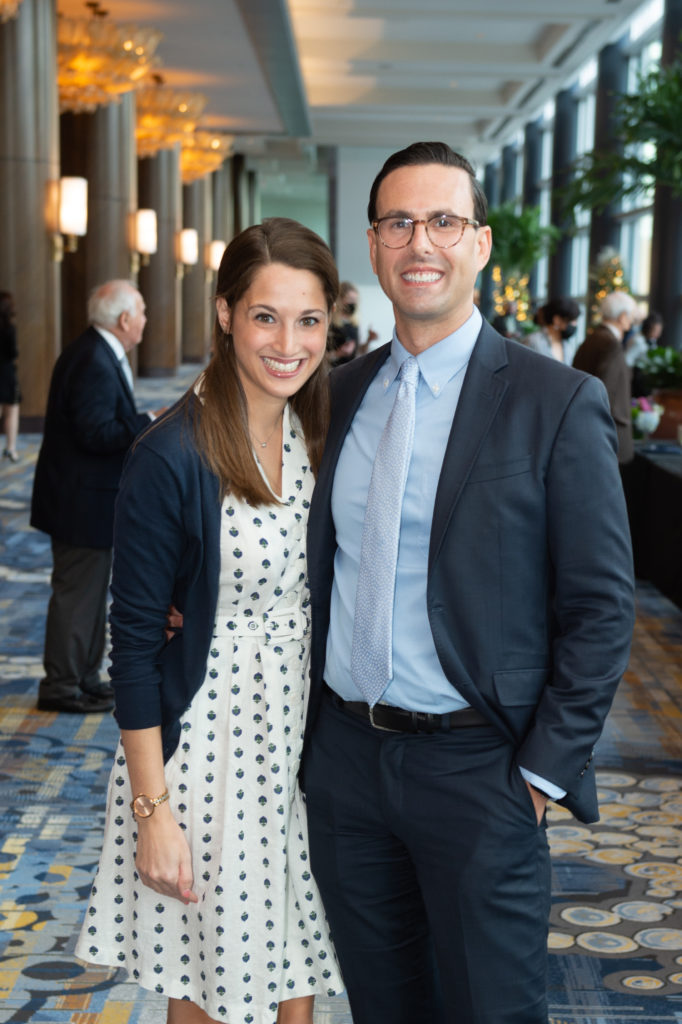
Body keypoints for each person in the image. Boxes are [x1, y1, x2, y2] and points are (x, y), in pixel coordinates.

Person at [301, 142, 635, 1024]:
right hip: (345, 765)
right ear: (373, 246)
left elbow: (601, 609)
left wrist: (540, 773)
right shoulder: (336, 396)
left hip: (481, 770)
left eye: (444, 221)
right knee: (384, 1006)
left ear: (480, 245)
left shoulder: (553, 402)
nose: (422, 242)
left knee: (492, 1008)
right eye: (400, 222)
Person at [74, 218, 344, 1024]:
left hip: (296, 751)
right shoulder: (173, 454)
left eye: (309, 320)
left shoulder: (318, 432)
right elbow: (131, 646)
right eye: (266, 316)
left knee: (295, 985)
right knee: (212, 994)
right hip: (207, 761)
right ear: (226, 314)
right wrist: (153, 818)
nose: (288, 343)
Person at [31, 280, 157, 714]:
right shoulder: (92, 360)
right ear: (125, 319)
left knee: (88, 595)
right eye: (141, 311)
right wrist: (148, 419)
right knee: (77, 597)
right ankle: (62, 686)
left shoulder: (97, 352)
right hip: (78, 504)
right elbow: (95, 433)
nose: (145, 319)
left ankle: (84, 678)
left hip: (86, 500)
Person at [573, 290, 640, 465]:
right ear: (623, 317)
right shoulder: (611, 344)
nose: (632, 321)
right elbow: (606, 392)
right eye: (632, 316)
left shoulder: (591, 339)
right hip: (608, 435)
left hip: (586, 430)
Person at [327, 280, 378, 365]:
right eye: (350, 299)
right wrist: (338, 354)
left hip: (350, 371)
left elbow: (359, 352)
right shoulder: (329, 323)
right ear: (340, 300)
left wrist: (369, 340)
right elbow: (320, 359)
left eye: (355, 300)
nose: (353, 303)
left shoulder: (354, 324)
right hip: (332, 372)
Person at [523, 296, 581, 363]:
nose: (574, 325)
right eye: (571, 321)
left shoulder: (568, 345)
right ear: (557, 320)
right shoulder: (533, 341)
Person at [0, 291, 21, 462]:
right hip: (6, 372)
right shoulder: (9, 328)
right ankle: (10, 449)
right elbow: (13, 353)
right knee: (11, 411)